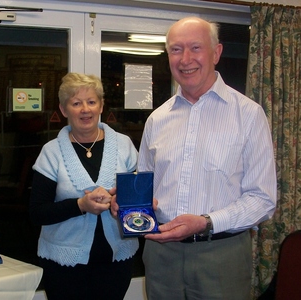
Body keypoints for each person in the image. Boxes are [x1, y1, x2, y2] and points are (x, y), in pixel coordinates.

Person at [111, 17, 277, 300]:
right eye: (176, 50)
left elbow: (262, 200)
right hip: (161, 255)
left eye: (195, 47)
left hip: (221, 255)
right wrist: (127, 204)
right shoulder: (157, 119)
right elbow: (146, 187)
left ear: (216, 52)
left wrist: (207, 221)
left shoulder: (248, 115)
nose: (185, 59)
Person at [29, 72, 139, 300]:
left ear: (101, 105)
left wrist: (123, 201)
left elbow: (140, 197)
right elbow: (37, 212)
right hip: (64, 266)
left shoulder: (124, 145)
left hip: (117, 260)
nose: (85, 109)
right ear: (63, 109)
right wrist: (80, 205)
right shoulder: (51, 152)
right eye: (76, 103)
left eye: (91, 102)